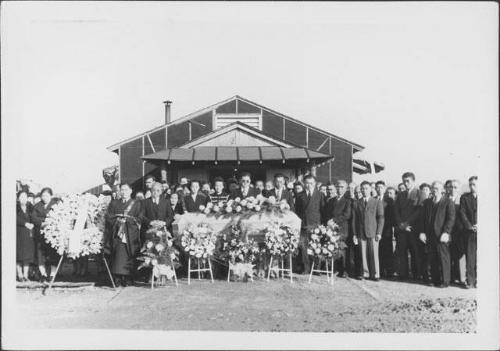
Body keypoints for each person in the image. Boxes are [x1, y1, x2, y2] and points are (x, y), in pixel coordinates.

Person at [104, 183, 144, 287]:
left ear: (131, 191)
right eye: (122, 190)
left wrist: (128, 221)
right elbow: (109, 217)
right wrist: (117, 220)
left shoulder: (136, 204)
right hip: (117, 233)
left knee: (128, 255)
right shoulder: (114, 203)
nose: (123, 192)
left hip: (130, 234)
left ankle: (128, 278)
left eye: (126, 190)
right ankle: (117, 278)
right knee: (117, 255)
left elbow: (139, 218)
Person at [417, 181, 455, 288]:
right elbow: (422, 219)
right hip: (430, 235)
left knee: (443, 258)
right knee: (432, 258)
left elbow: (450, 219)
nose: (435, 190)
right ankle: (436, 280)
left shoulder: (448, 202)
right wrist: (422, 232)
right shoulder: (427, 202)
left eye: (437, 188)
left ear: (442, 189)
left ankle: (445, 281)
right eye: (433, 188)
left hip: (442, 235)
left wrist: (446, 232)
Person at [352, 181, 385, 281]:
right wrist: (354, 234)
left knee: (374, 254)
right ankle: (365, 273)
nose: (364, 190)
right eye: (362, 188)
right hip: (361, 233)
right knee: (363, 254)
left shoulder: (376, 202)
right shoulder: (357, 203)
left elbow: (381, 218)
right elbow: (354, 220)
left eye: (366, 188)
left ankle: (375, 274)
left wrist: (379, 232)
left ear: (371, 189)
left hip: (373, 232)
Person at [294, 175, 326, 274]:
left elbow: (323, 210)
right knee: (304, 247)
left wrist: (322, 225)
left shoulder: (320, 195)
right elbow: (297, 211)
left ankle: (316, 268)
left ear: (315, 183)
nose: (309, 185)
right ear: (304, 184)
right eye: (307, 183)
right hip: (303, 224)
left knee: (316, 247)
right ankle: (306, 268)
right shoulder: (300, 195)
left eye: (311, 183)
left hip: (315, 224)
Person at [393, 172, 421, 281]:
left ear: (413, 181)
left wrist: (407, 224)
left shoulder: (419, 193)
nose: (405, 183)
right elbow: (396, 211)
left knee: (415, 252)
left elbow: (418, 211)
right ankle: (403, 274)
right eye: (404, 181)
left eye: (408, 181)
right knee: (402, 252)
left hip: (413, 229)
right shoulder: (400, 194)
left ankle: (416, 275)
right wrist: (401, 224)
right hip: (402, 229)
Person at [31, 187, 60, 282]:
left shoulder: (56, 205)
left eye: (47, 195)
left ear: (51, 196)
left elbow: (59, 217)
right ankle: (43, 274)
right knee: (40, 255)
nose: (44, 197)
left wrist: (50, 222)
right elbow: (33, 218)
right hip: (40, 235)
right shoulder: (37, 206)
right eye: (43, 195)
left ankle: (52, 275)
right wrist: (42, 223)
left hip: (53, 235)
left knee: (53, 255)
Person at [326, 180, 351, 277]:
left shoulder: (348, 200)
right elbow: (328, 213)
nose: (339, 189)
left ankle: (344, 270)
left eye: (342, 187)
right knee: (333, 247)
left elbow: (347, 215)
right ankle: (335, 269)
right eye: (338, 187)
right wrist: (330, 222)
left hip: (342, 228)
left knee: (343, 249)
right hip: (332, 227)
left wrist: (334, 220)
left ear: (345, 189)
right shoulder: (331, 200)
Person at [446, 179, 466, 287]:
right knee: (449, 254)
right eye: (451, 187)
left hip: (459, 232)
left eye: (455, 187)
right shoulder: (444, 199)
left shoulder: (462, 199)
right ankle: (451, 277)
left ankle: (461, 277)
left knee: (460, 255)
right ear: (448, 188)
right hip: (447, 232)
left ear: (459, 189)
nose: (453, 189)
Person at [459, 176, 477, 288]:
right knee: (470, 257)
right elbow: (462, 213)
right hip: (469, 232)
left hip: (484, 231)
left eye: (474, 184)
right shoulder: (464, 197)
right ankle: (470, 281)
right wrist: (470, 226)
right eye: (470, 184)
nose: (472, 186)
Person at [376, 181, 395, 279]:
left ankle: (389, 271)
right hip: (376, 229)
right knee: (378, 250)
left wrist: (388, 227)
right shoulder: (373, 199)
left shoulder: (389, 200)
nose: (379, 189)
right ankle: (380, 270)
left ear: (384, 188)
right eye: (377, 187)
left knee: (387, 250)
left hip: (386, 229)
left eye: (381, 187)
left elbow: (392, 216)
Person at [16, 191, 35, 282]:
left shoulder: (30, 207)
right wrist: (25, 223)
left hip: (28, 234)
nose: (23, 198)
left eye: (25, 197)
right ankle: (19, 275)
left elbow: (34, 217)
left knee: (27, 255)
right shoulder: (15, 207)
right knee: (19, 255)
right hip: (19, 233)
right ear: (18, 198)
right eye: (21, 197)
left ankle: (25, 275)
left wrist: (33, 224)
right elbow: (14, 218)